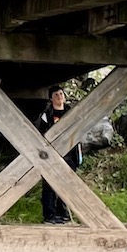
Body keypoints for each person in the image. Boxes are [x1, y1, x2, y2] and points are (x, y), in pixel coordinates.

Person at [37, 87, 81, 223]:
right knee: (50, 186)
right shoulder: (46, 115)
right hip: (51, 155)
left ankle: (63, 213)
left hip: (70, 155)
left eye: (61, 94)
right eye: (56, 95)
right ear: (51, 98)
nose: (59, 96)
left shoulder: (71, 112)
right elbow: (40, 134)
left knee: (66, 185)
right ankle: (49, 216)